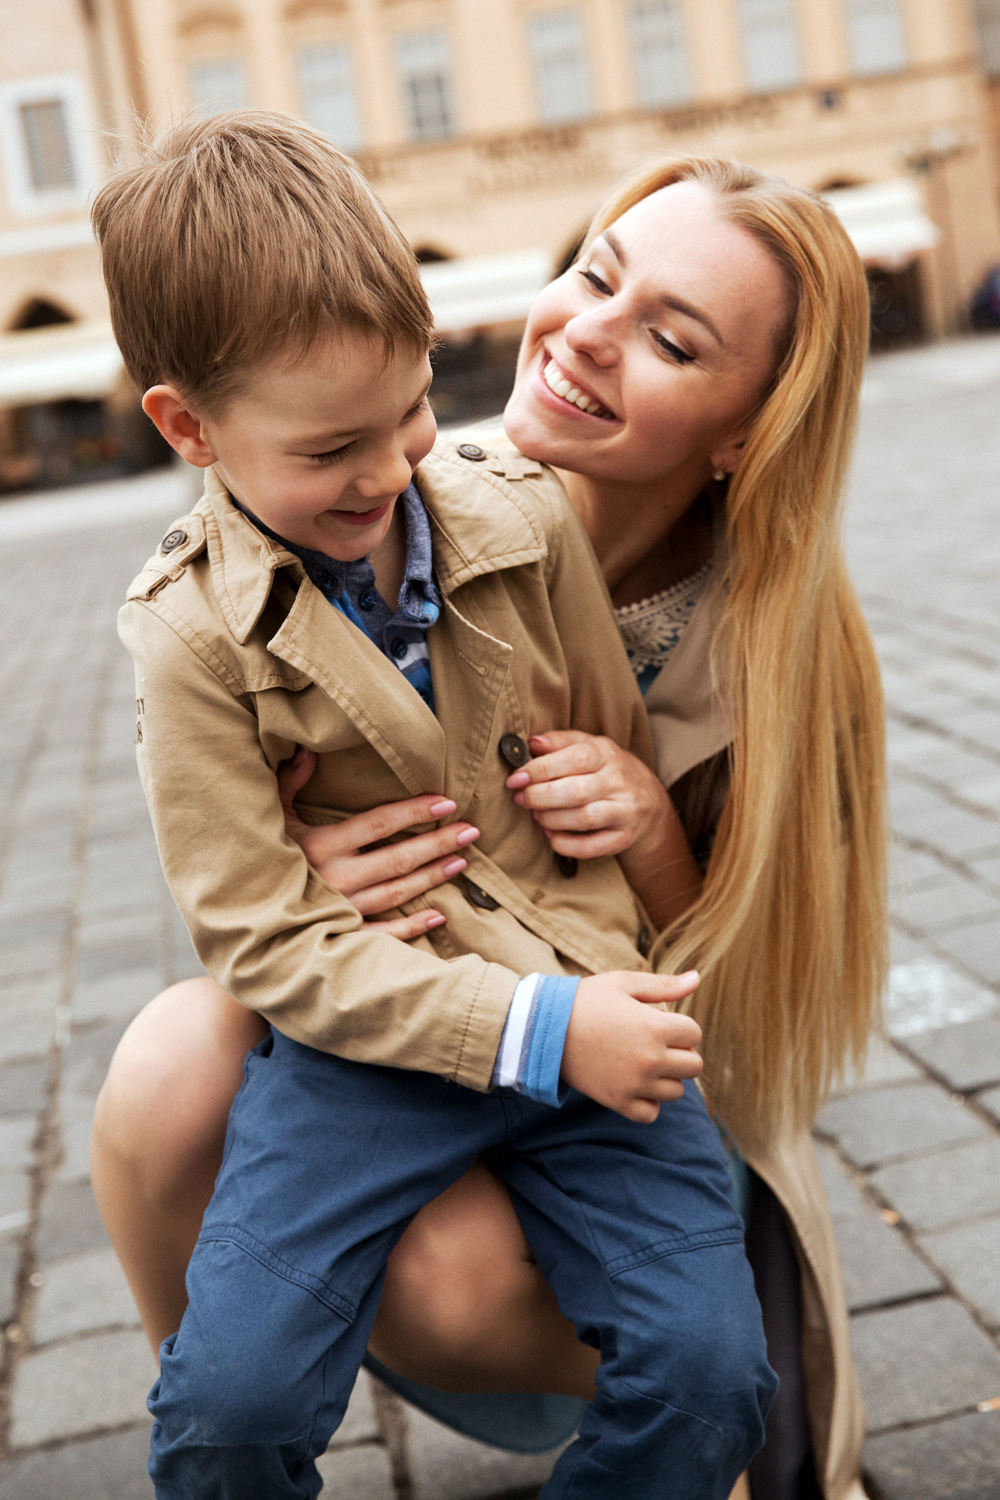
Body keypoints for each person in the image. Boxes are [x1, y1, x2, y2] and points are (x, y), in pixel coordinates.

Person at [92, 149, 887, 1500]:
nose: (584, 331)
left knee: (700, 1367)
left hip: (610, 1076)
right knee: (190, 1111)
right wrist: (309, 876)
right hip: (394, 1055)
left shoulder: (775, 656)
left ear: (749, 424)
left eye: (670, 338)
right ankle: (230, 1384)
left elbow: (741, 1030)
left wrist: (647, 836)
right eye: (594, 272)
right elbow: (250, 904)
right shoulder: (295, 534)